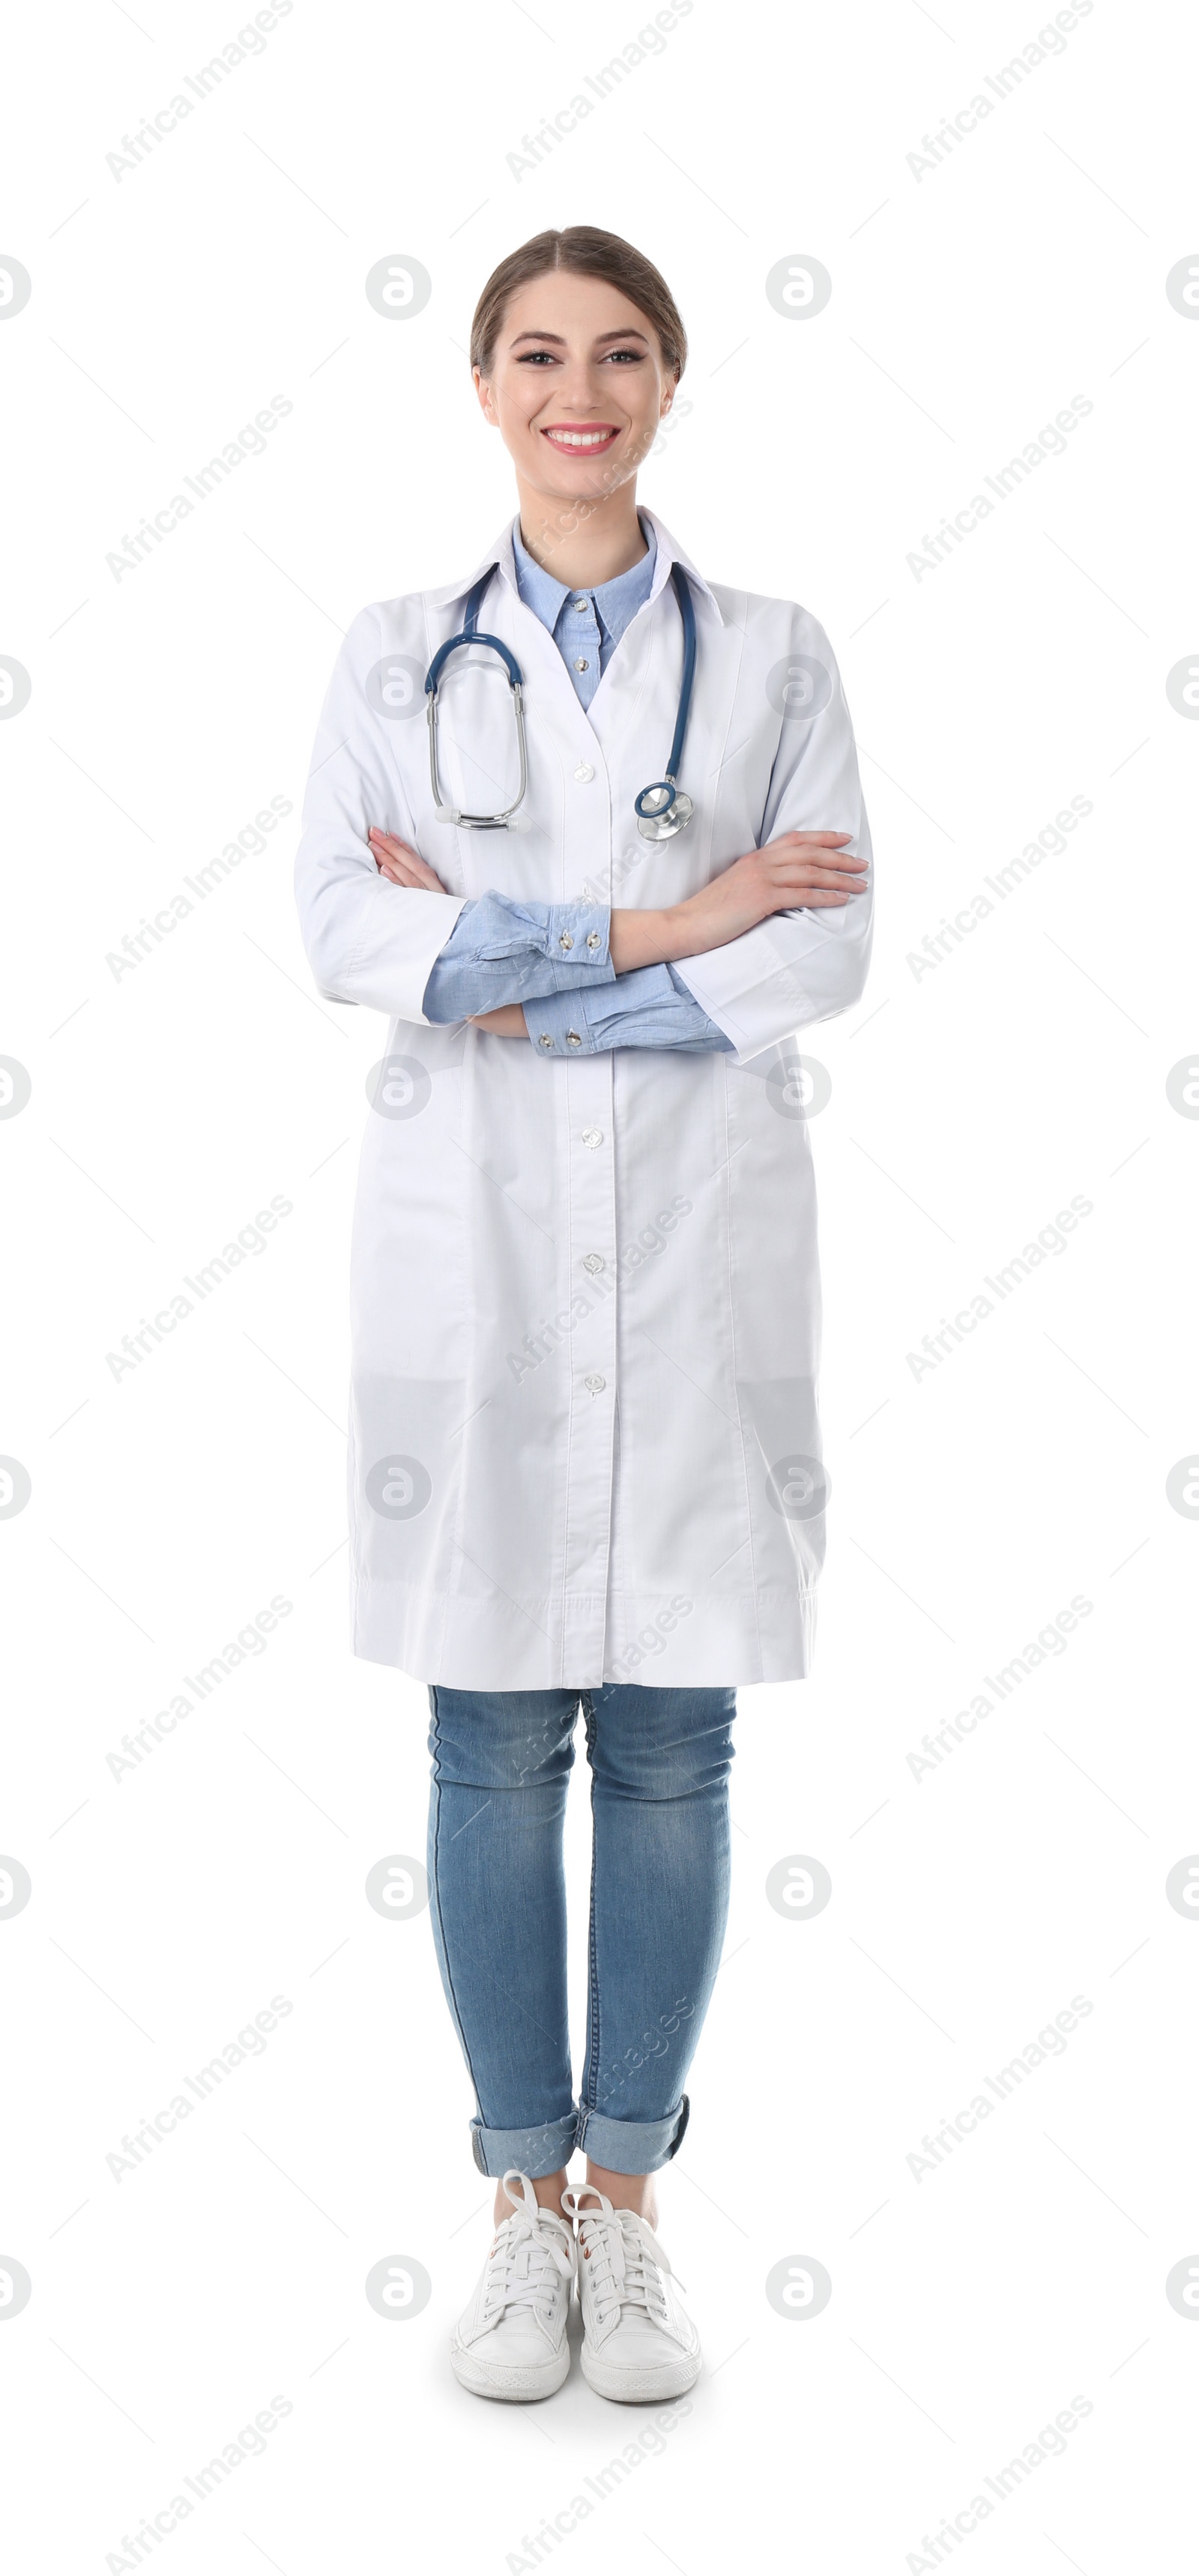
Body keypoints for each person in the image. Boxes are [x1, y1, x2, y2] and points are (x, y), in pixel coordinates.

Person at [293, 225, 873, 2404]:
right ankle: (513, 2209)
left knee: (669, 1738)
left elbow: (816, 952)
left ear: (670, 383)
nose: (583, 390)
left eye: (623, 353)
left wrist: (527, 967)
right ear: (482, 384)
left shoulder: (780, 653)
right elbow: (350, 927)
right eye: (541, 353)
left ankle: (630, 2215)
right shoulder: (389, 651)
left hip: (704, 1244)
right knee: (485, 1733)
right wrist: (666, 919)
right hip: (478, 1254)